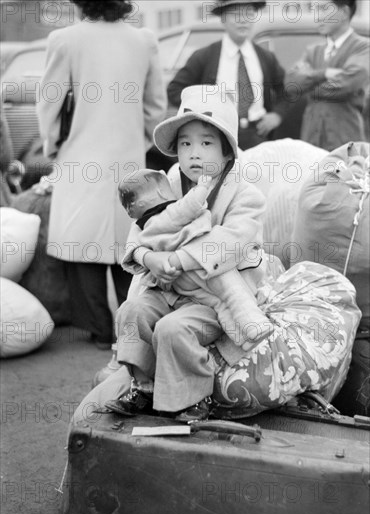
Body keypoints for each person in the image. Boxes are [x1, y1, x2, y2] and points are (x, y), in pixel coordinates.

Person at [105, 85, 267, 421]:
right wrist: (150, 258)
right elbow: (141, 231)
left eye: (207, 143)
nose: (194, 153)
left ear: (227, 154)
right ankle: (144, 386)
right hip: (169, 288)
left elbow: (228, 241)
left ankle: (194, 398)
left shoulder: (246, 195)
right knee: (132, 311)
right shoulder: (168, 184)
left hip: (213, 296)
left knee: (172, 329)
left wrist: (176, 259)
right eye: (185, 143)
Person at [37, 0, 167, 349]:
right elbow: (156, 106)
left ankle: (97, 328)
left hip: (80, 155)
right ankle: (134, 326)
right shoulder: (144, 41)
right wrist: (137, 141)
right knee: (130, 242)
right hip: (128, 155)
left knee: (83, 245)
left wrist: (53, 146)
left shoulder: (65, 39)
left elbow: (49, 101)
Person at [118, 168, 273, 350]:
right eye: (185, 144)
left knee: (217, 304)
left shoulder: (145, 224)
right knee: (232, 292)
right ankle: (254, 324)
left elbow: (133, 243)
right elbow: (191, 205)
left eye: (206, 143)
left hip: (178, 280)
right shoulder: (172, 210)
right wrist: (203, 186)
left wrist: (149, 256)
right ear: (161, 192)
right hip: (202, 266)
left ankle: (240, 338)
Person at [167, 0, 287, 151]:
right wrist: (202, 110)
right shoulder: (205, 56)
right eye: (236, 14)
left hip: (257, 135)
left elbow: (286, 91)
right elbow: (174, 90)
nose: (243, 20)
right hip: (218, 135)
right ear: (223, 19)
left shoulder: (266, 57)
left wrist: (277, 115)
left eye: (249, 14)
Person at [285, 0, 369, 151]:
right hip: (311, 141)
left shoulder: (362, 47)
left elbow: (344, 85)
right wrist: (323, 74)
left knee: (345, 174)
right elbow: (291, 84)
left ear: (344, 13)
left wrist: (308, 85)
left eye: (324, 9)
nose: (317, 17)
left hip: (345, 143)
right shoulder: (313, 51)